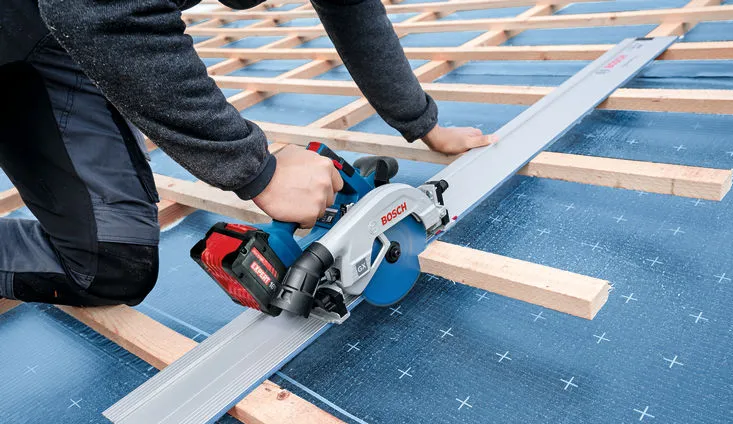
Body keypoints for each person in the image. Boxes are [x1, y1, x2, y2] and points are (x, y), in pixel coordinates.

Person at [0, 0, 494, 308]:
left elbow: (352, 7)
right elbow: (95, 9)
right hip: (65, 16)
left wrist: (422, 122)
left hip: (46, 31)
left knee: (112, 265)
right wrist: (255, 169)